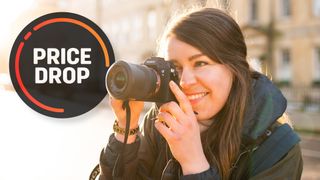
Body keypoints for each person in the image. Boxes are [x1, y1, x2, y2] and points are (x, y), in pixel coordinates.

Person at [98, 8, 303, 180]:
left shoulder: (278, 149)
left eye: (201, 63)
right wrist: (126, 129)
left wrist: (193, 162)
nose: (186, 81)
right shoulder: (162, 121)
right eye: (176, 67)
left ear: (235, 68)